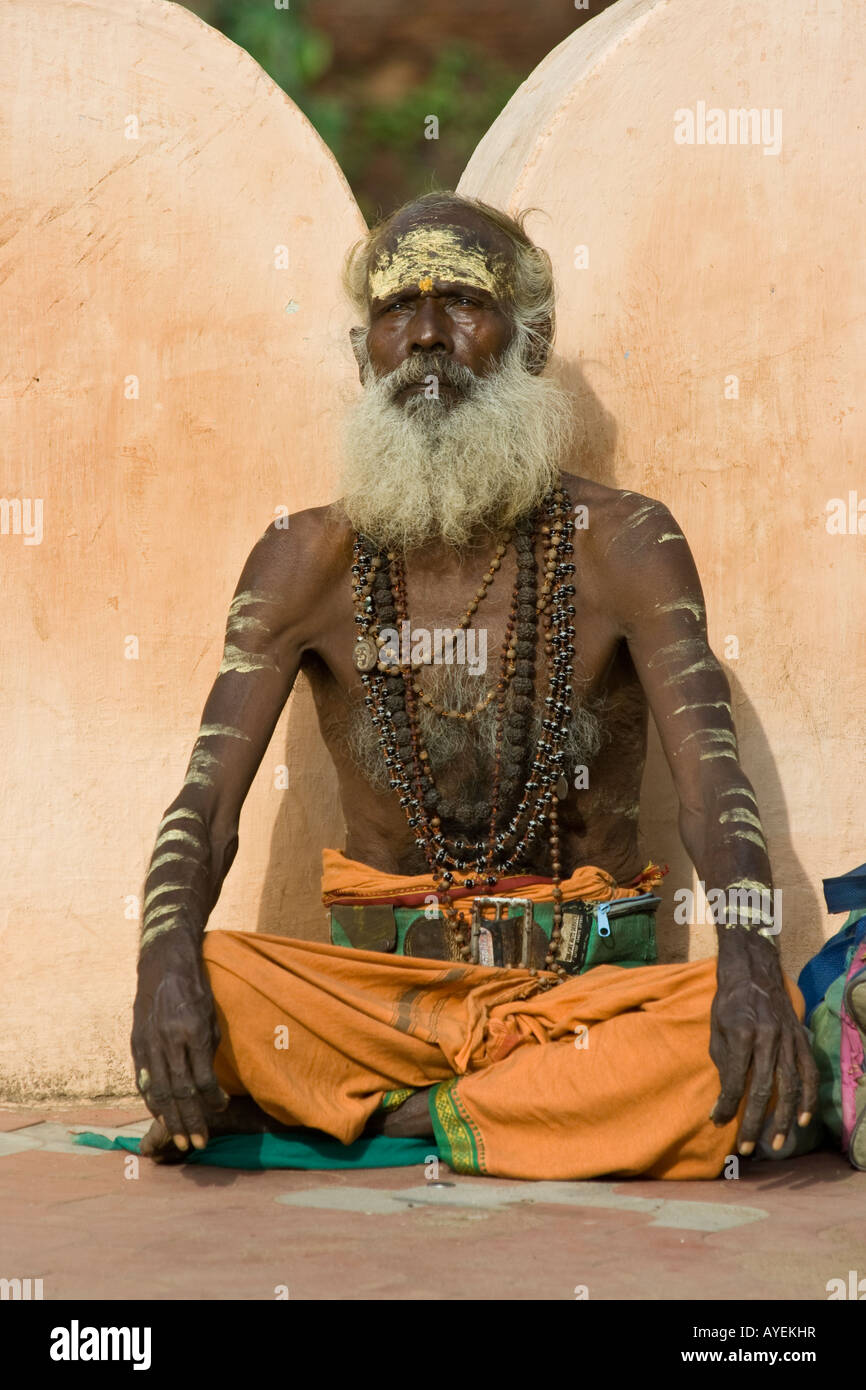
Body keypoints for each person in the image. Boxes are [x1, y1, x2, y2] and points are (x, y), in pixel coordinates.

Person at [131, 191, 817, 1178]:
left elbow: (716, 791)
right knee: (213, 980)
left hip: (577, 1001)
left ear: (527, 343)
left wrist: (751, 962)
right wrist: (159, 965)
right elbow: (204, 807)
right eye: (393, 311)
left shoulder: (626, 544)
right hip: (376, 1000)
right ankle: (522, 1120)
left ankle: (389, 1121)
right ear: (358, 348)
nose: (424, 337)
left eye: (461, 302)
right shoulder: (300, 558)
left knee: (756, 1033)